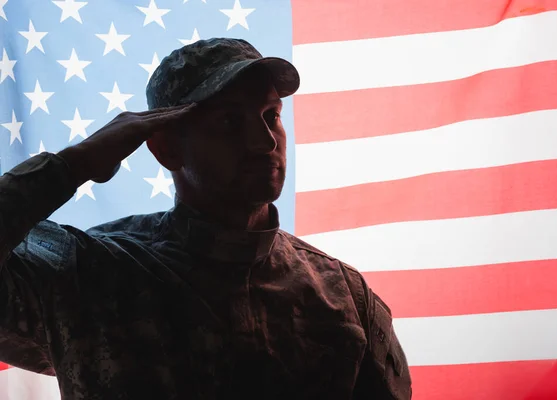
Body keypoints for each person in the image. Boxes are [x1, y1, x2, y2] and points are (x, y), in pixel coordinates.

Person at [0, 38, 412, 399]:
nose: (265, 141)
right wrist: (73, 164)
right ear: (166, 149)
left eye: (271, 116)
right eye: (230, 122)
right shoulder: (89, 274)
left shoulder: (343, 296)